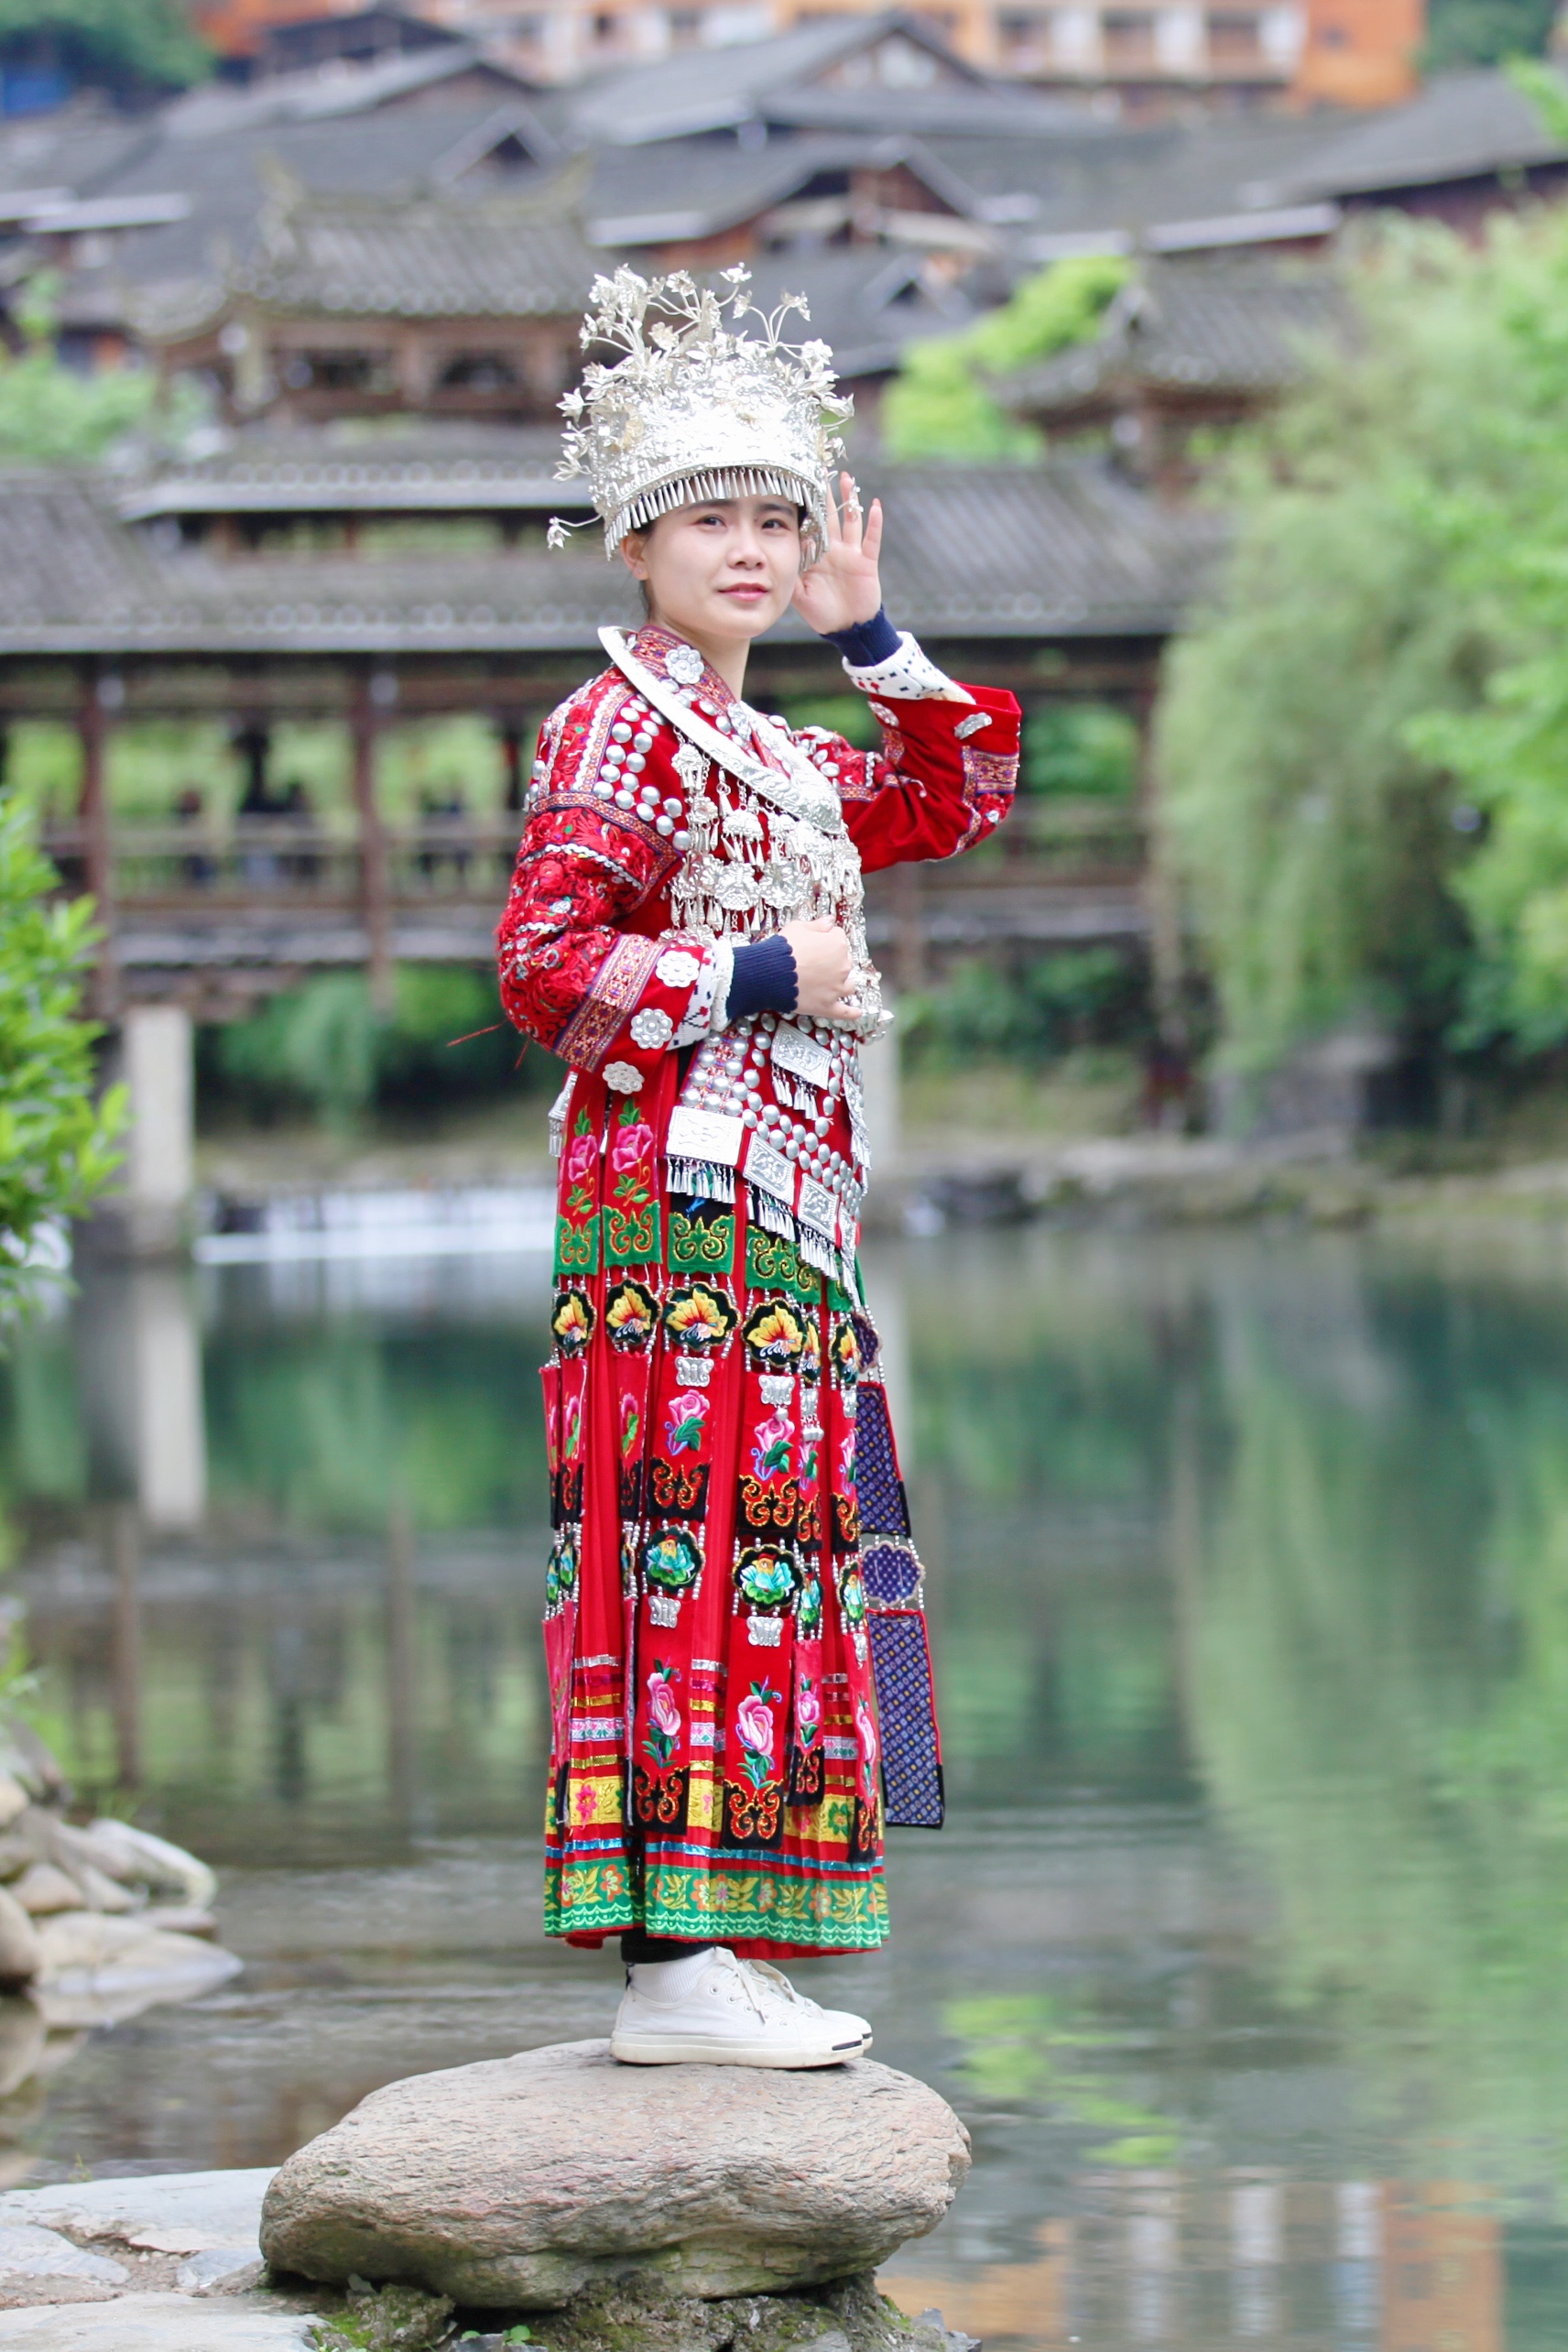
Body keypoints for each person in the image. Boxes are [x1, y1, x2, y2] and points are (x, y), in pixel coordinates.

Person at [493, 267, 1020, 2069]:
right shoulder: (616, 730)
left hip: (785, 1216)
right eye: (713, 516)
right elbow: (545, 968)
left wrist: (878, 638)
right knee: (679, 1563)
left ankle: (724, 1946)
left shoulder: (785, 752)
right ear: (638, 543)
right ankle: (667, 1968)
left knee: (774, 1555)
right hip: (665, 1209)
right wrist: (755, 977)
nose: (752, 547)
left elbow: (951, 797)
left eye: (777, 519)